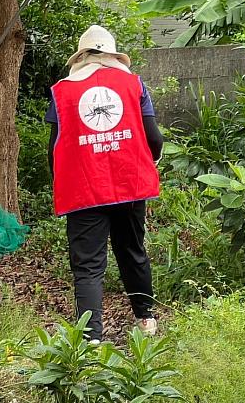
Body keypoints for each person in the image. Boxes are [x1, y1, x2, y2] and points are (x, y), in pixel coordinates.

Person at [46, 25, 163, 342]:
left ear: (80, 57)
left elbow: (53, 148)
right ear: (112, 55)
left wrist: (63, 179)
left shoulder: (62, 92)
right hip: (129, 183)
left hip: (84, 190)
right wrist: (148, 160)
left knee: (88, 267)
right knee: (133, 251)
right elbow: (154, 137)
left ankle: (91, 338)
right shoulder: (133, 84)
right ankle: (146, 319)